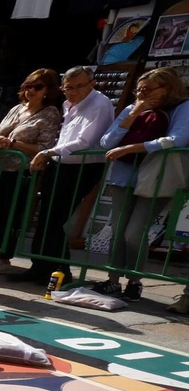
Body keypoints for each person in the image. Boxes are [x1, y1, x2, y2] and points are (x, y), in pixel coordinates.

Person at [92, 67, 187, 299]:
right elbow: (107, 142)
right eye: (139, 89)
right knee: (118, 230)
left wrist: (134, 147)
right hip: (123, 176)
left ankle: (134, 281)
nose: (142, 94)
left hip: (156, 177)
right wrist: (134, 114)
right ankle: (112, 280)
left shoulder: (181, 109)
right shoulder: (132, 108)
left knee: (135, 233)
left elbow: (177, 139)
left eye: (148, 89)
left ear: (167, 89)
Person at [24, 67, 116, 284]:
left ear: (91, 84)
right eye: (68, 88)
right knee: (46, 217)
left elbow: (85, 141)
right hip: (61, 164)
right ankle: (39, 267)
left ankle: (60, 270)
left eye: (78, 87)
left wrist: (48, 152)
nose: (72, 92)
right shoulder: (69, 104)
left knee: (55, 219)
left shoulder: (100, 104)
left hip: (81, 167)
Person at [0, 68, 63, 279]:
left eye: (37, 87)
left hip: (20, 170)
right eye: (27, 85)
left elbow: (45, 145)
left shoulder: (50, 113)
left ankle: (4, 257)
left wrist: (13, 143)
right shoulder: (17, 108)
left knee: (11, 213)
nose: (31, 90)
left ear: (47, 90)